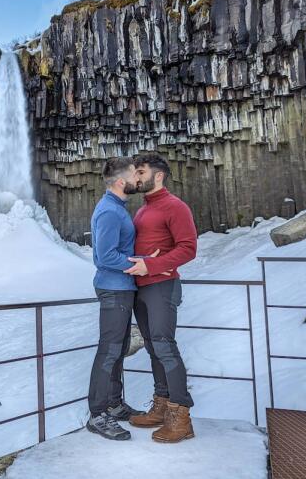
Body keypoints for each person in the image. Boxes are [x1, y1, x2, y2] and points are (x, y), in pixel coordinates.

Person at [125, 154, 198, 443]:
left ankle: (181, 418)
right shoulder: (143, 209)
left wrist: (151, 266)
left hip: (162, 285)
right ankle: (162, 406)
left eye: (141, 172)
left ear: (158, 176)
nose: (136, 178)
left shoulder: (175, 207)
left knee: (165, 347)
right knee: (154, 349)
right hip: (141, 287)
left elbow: (188, 249)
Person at [86, 157, 146, 441]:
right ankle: (97, 415)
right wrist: (141, 261)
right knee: (109, 350)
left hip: (122, 288)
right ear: (121, 181)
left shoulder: (117, 208)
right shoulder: (110, 211)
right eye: (135, 174)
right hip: (114, 288)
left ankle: (113, 403)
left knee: (118, 348)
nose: (139, 179)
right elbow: (103, 256)